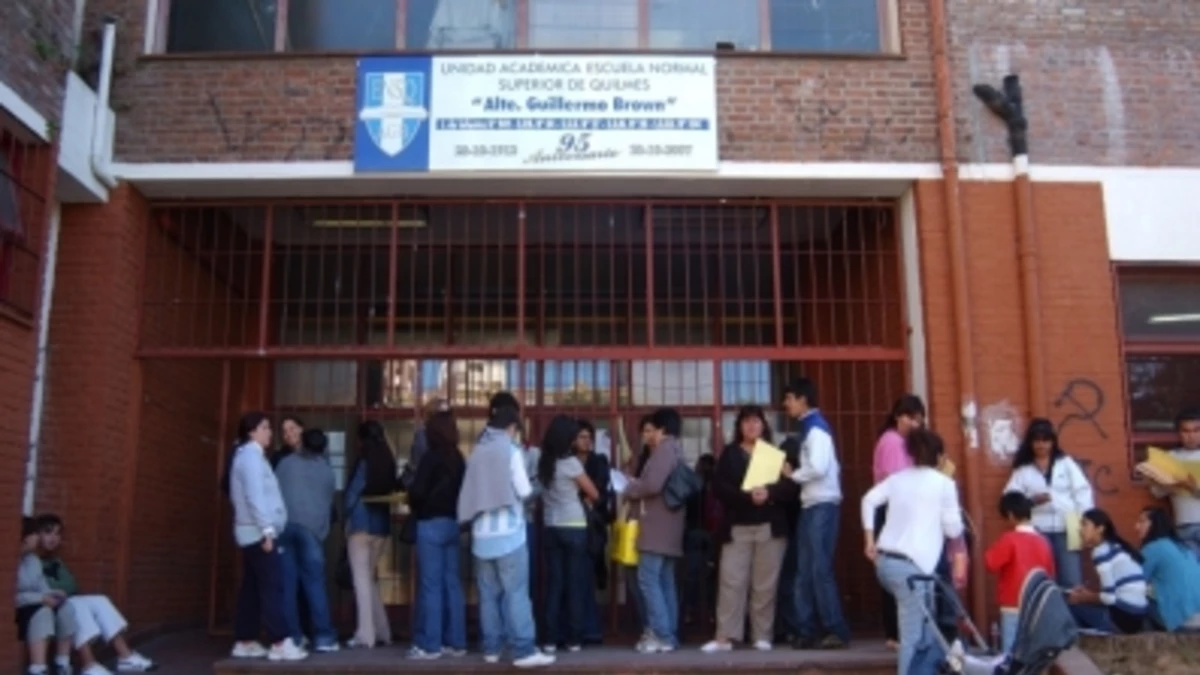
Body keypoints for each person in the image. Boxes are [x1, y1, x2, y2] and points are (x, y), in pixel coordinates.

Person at [457, 405, 555, 668]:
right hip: (510, 535)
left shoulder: (477, 452)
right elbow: (523, 491)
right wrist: (539, 486)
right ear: (511, 428)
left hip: (481, 536)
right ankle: (524, 651)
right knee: (516, 593)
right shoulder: (510, 451)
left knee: (488, 596)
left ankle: (491, 649)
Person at [861, 428, 965, 675]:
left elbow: (868, 500)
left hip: (887, 563)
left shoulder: (897, 479)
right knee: (913, 636)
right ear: (939, 456)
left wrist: (869, 540)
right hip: (915, 568)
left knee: (926, 631)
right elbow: (952, 529)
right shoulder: (945, 484)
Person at [702, 406, 797, 653]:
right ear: (739, 426)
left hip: (769, 527)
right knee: (731, 581)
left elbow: (791, 488)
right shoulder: (730, 453)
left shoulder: (774, 454)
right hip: (738, 527)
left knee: (764, 585)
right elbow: (719, 487)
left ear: (764, 425)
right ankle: (725, 637)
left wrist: (769, 493)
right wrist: (747, 497)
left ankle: (762, 636)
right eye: (746, 421)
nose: (751, 426)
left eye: (756, 421)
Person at [228, 411, 306, 661]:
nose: (270, 432)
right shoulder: (250, 457)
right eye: (265, 427)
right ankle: (280, 642)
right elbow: (254, 496)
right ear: (251, 431)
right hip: (258, 533)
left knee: (252, 588)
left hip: (253, 531)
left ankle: (245, 640)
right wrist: (267, 531)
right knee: (274, 586)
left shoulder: (250, 456)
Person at [35, 515, 157, 673]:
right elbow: (45, 588)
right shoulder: (32, 560)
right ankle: (88, 664)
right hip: (46, 606)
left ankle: (125, 656)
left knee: (100, 600)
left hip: (65, 600)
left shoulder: (55, 560)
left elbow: (72, 585)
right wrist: (60, 589)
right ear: (37, 534)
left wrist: (61, 589)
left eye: (57, 533)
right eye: (48, 532)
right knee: (76, 605)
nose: (53, 538)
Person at [782, 379, 851, 650]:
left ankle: (834, 629)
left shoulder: (816, 429)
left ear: (803, 399)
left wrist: (793, 475)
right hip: (814, 504)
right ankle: (808, 629)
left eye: (789, 398)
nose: (786, 404)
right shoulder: (812, 427)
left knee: (817, 570)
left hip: (821, 504)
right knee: (806, 571)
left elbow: (819, 468)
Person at [624, 407, 688, 654]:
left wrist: (631, 487)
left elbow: (652, 485)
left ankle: (662, 634)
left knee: (648, 579)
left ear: (662, 428)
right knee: (665, 581)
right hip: (669, 527)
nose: (652, 434)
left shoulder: (664, 450)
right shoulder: (676, 449)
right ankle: (669, 634)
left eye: (655, 428)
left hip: (656, 527)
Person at [1003, 418, 1094, 589]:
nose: (1041, 445)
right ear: (1030, 442)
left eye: (1046, 440)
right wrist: (1031, 501)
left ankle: (1070, 608)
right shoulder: (1023, 469)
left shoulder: (1065, 463)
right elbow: (1010, 499)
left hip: (1068, 528)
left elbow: (1082, 492)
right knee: (1041, 578)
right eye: (1037, 440)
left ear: (1053, 442)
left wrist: (1085, 522)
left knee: (1072, 579)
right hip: (1037, 530)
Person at [407, 410, 468, 660]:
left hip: (430, 523)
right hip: (453, 523)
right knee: (452, 583)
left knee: (430, 585)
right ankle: (456, 642)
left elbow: (417, 492)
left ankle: (430, 645)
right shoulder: (459, 458)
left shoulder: (430, 458)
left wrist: (414, 500)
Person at [537, 416, 599, 653]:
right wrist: (585, 498)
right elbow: (593, 492)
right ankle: (574, 638)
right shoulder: (570, 463)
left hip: (551, 526)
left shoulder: (544, 461)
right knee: (574, 584)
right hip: (573, 525)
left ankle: (550, 639)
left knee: (554, 585)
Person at [274, 427, 338, 653]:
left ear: (302, 442)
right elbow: (328, 503)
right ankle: (324, 637)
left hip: (285, 527)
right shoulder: (327, 472)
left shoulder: (285, 464)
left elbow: (274, 493)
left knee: (288, 586)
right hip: (311, 531)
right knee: (315, 584)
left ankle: (294, 637)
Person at [871, 394, 927, 650]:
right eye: (909, 417)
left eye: (918, 419)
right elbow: (898, 482)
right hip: (893, 511)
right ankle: (895, 633)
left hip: (898, 510)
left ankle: (898, 633)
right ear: (897, 417)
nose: (914, 423)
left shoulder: (904, 442)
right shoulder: (893, 442)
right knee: (897, 569)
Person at [343, 420, 398, 649]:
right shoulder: (388, 460)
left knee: (361, 580)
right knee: (369, 579)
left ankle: (365, 634)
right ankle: (383, 630)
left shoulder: (365, 459)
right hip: (381, 526)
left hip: (360, 524)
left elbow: (353, 493)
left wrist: (345, 512)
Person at [984, 492, 1056, 652]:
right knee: (1034, 652)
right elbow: (1050, 574)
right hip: (1037, 604)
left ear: (1010, 515)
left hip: (1012, 604)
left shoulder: (1009, 539)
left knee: (1011, 651)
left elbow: (990, 563)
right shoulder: (1043, 541)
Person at [1066, 509, 1147, 634]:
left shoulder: (1101, 552)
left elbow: (1109, 598)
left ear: (1100, 529)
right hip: (1137, 618)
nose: (1080, 529)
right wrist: (1089, 594)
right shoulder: (1115, 547)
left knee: (1071, 605)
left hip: (1122, 619)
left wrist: (1083, 598)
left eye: (1085, 524)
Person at [16, 517, 74, 675]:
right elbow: (11, 596)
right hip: (19, 609)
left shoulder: (33, 560)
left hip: (36, 603)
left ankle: (62, 663)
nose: (37, 538)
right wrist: (40, 599)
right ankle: (38, 667)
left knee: (66, 608)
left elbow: (43, 587)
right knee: (43, 612)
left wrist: (54, 594)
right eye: (35, 533)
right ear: (25, 537)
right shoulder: (10, 561)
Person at [1143, 408, 1200, 558]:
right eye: (1186, 431)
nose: (1191, 436)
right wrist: (1172, 484)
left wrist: (1193, 488)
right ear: (1179, 433)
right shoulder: (1170, 458)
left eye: (1196, 430)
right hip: (1183, 523)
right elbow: (1156, 493)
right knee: (1191, 567)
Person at [1135, 507, 1200, 632]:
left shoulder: (1152, 548)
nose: (1136, 527)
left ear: (1154, 524)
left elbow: (1134, 581)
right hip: (1196, 616)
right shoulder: (1183, 547)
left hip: (1181, 622)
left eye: (1142, 521)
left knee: (1133, 599)